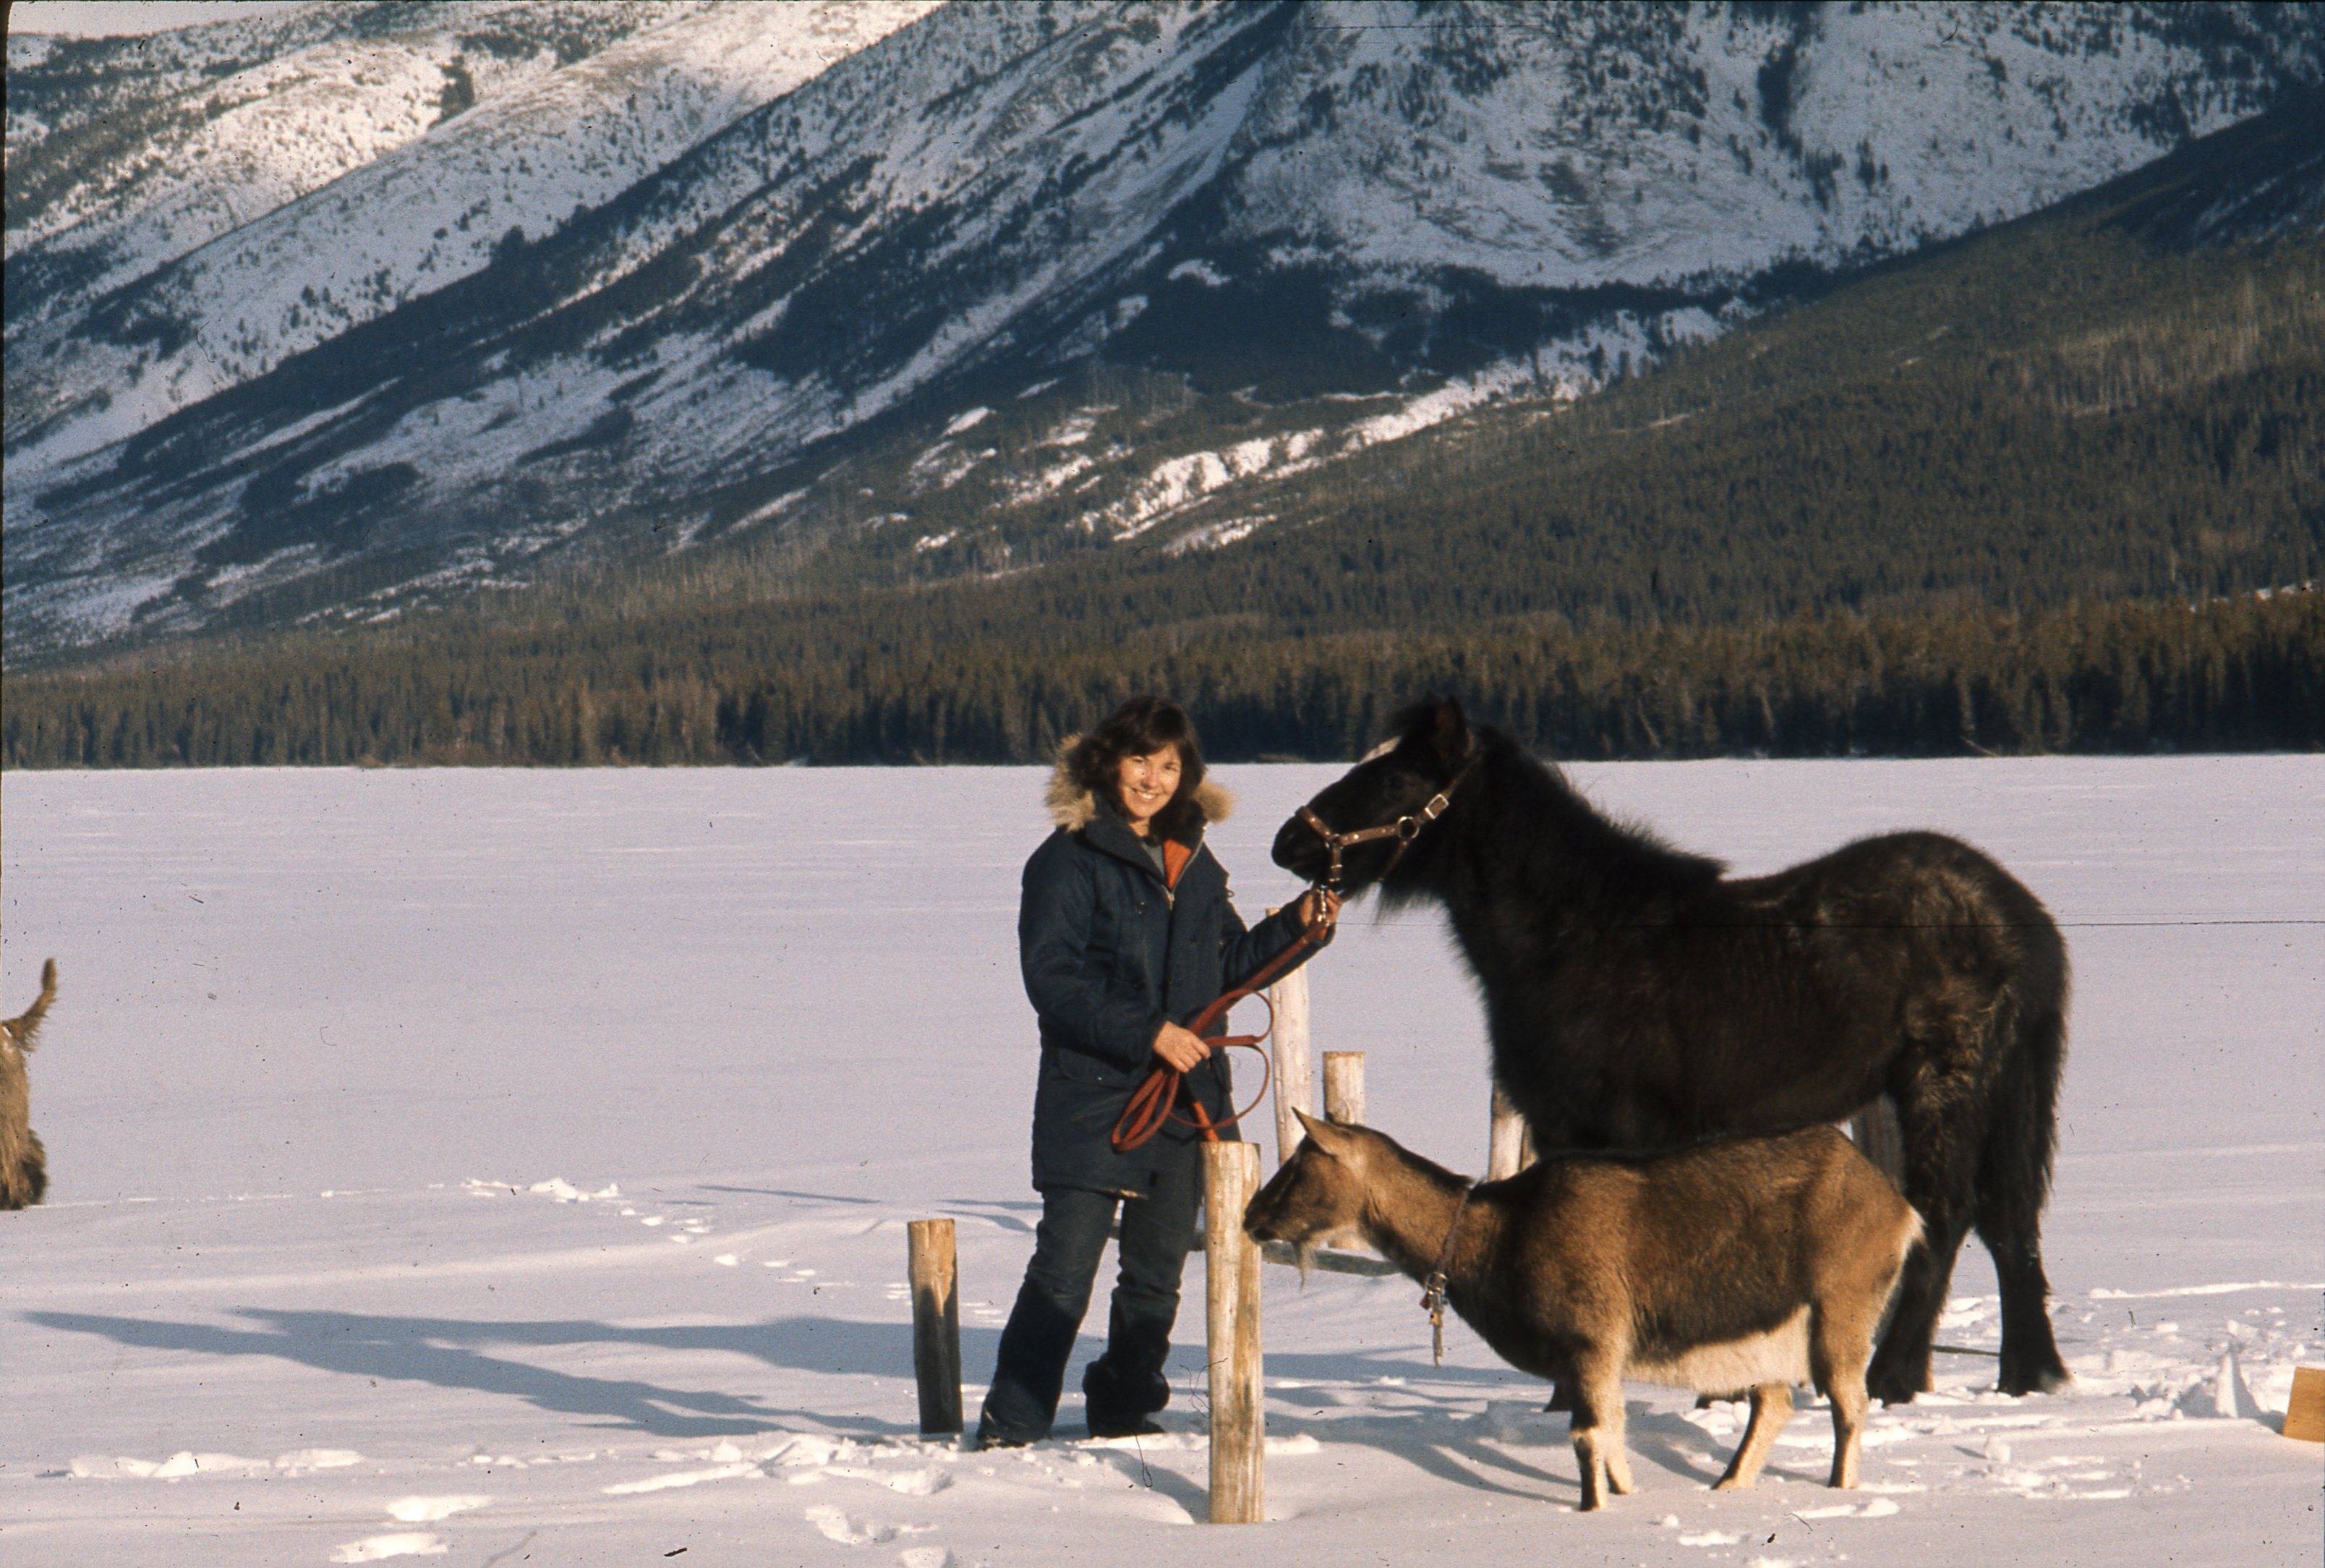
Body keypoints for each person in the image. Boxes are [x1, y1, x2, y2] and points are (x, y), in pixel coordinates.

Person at [974, 696, 1336, 1448]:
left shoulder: (1194, 861)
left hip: (1185, 1100)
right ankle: (1011, 1423)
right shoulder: (1066, 858)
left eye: (1168, 765)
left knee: (1155, 1275)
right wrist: (1151, 1033)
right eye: (1138, 760)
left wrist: (1296, 929)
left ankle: (1122, 1407)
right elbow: (1053, 979)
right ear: (1107, 761)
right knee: (1064, 1270)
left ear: (1186, 773)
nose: (1151, 779)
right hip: (1092, 1096)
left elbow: (1227, 967)